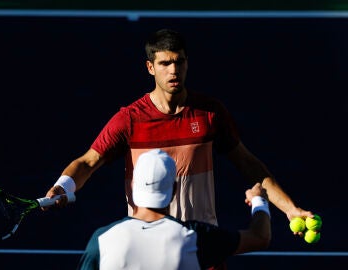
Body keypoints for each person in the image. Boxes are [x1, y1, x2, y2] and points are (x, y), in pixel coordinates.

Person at [44, 29, 312, 230]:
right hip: (147, 241)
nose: (174, 70)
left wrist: (290, 209)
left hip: (201, 241)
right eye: (165, 64)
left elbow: (248, 164)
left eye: (179, 62)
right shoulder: (130, 119)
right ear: (150, 67)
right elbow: (88, 162)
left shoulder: (210, 113)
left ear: (187, 63)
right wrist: (61, 186)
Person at [77, 149, 271, 270]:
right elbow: (259, 237)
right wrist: (259, 201)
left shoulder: (101, 240)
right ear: (175, 189)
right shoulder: (196, 237)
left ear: (134, 185)